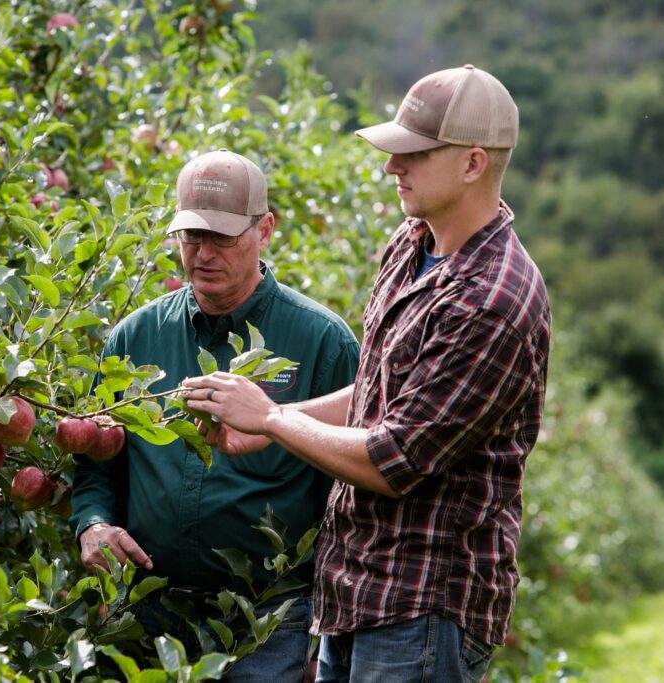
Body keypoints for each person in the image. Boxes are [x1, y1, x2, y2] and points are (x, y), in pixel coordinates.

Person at [183, 65, 551, 682]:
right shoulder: (412, 244)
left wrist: (273, 417)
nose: (391, 168)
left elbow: (394, 458)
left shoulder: (492, 300)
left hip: (426, 605)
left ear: (473, 163)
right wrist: (274, 423)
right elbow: (382, 392)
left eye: (413, 154)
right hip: (357, 591)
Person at [70, 149, 360, 680]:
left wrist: (328, 626)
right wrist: (93, 525)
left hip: (269, 624)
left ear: (264, 229)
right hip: (145, 615)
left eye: (222, 237)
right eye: (191, 237)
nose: (203, 254)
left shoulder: (322, 343)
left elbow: (345, 492)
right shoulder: (134, 338)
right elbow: (97, 465)